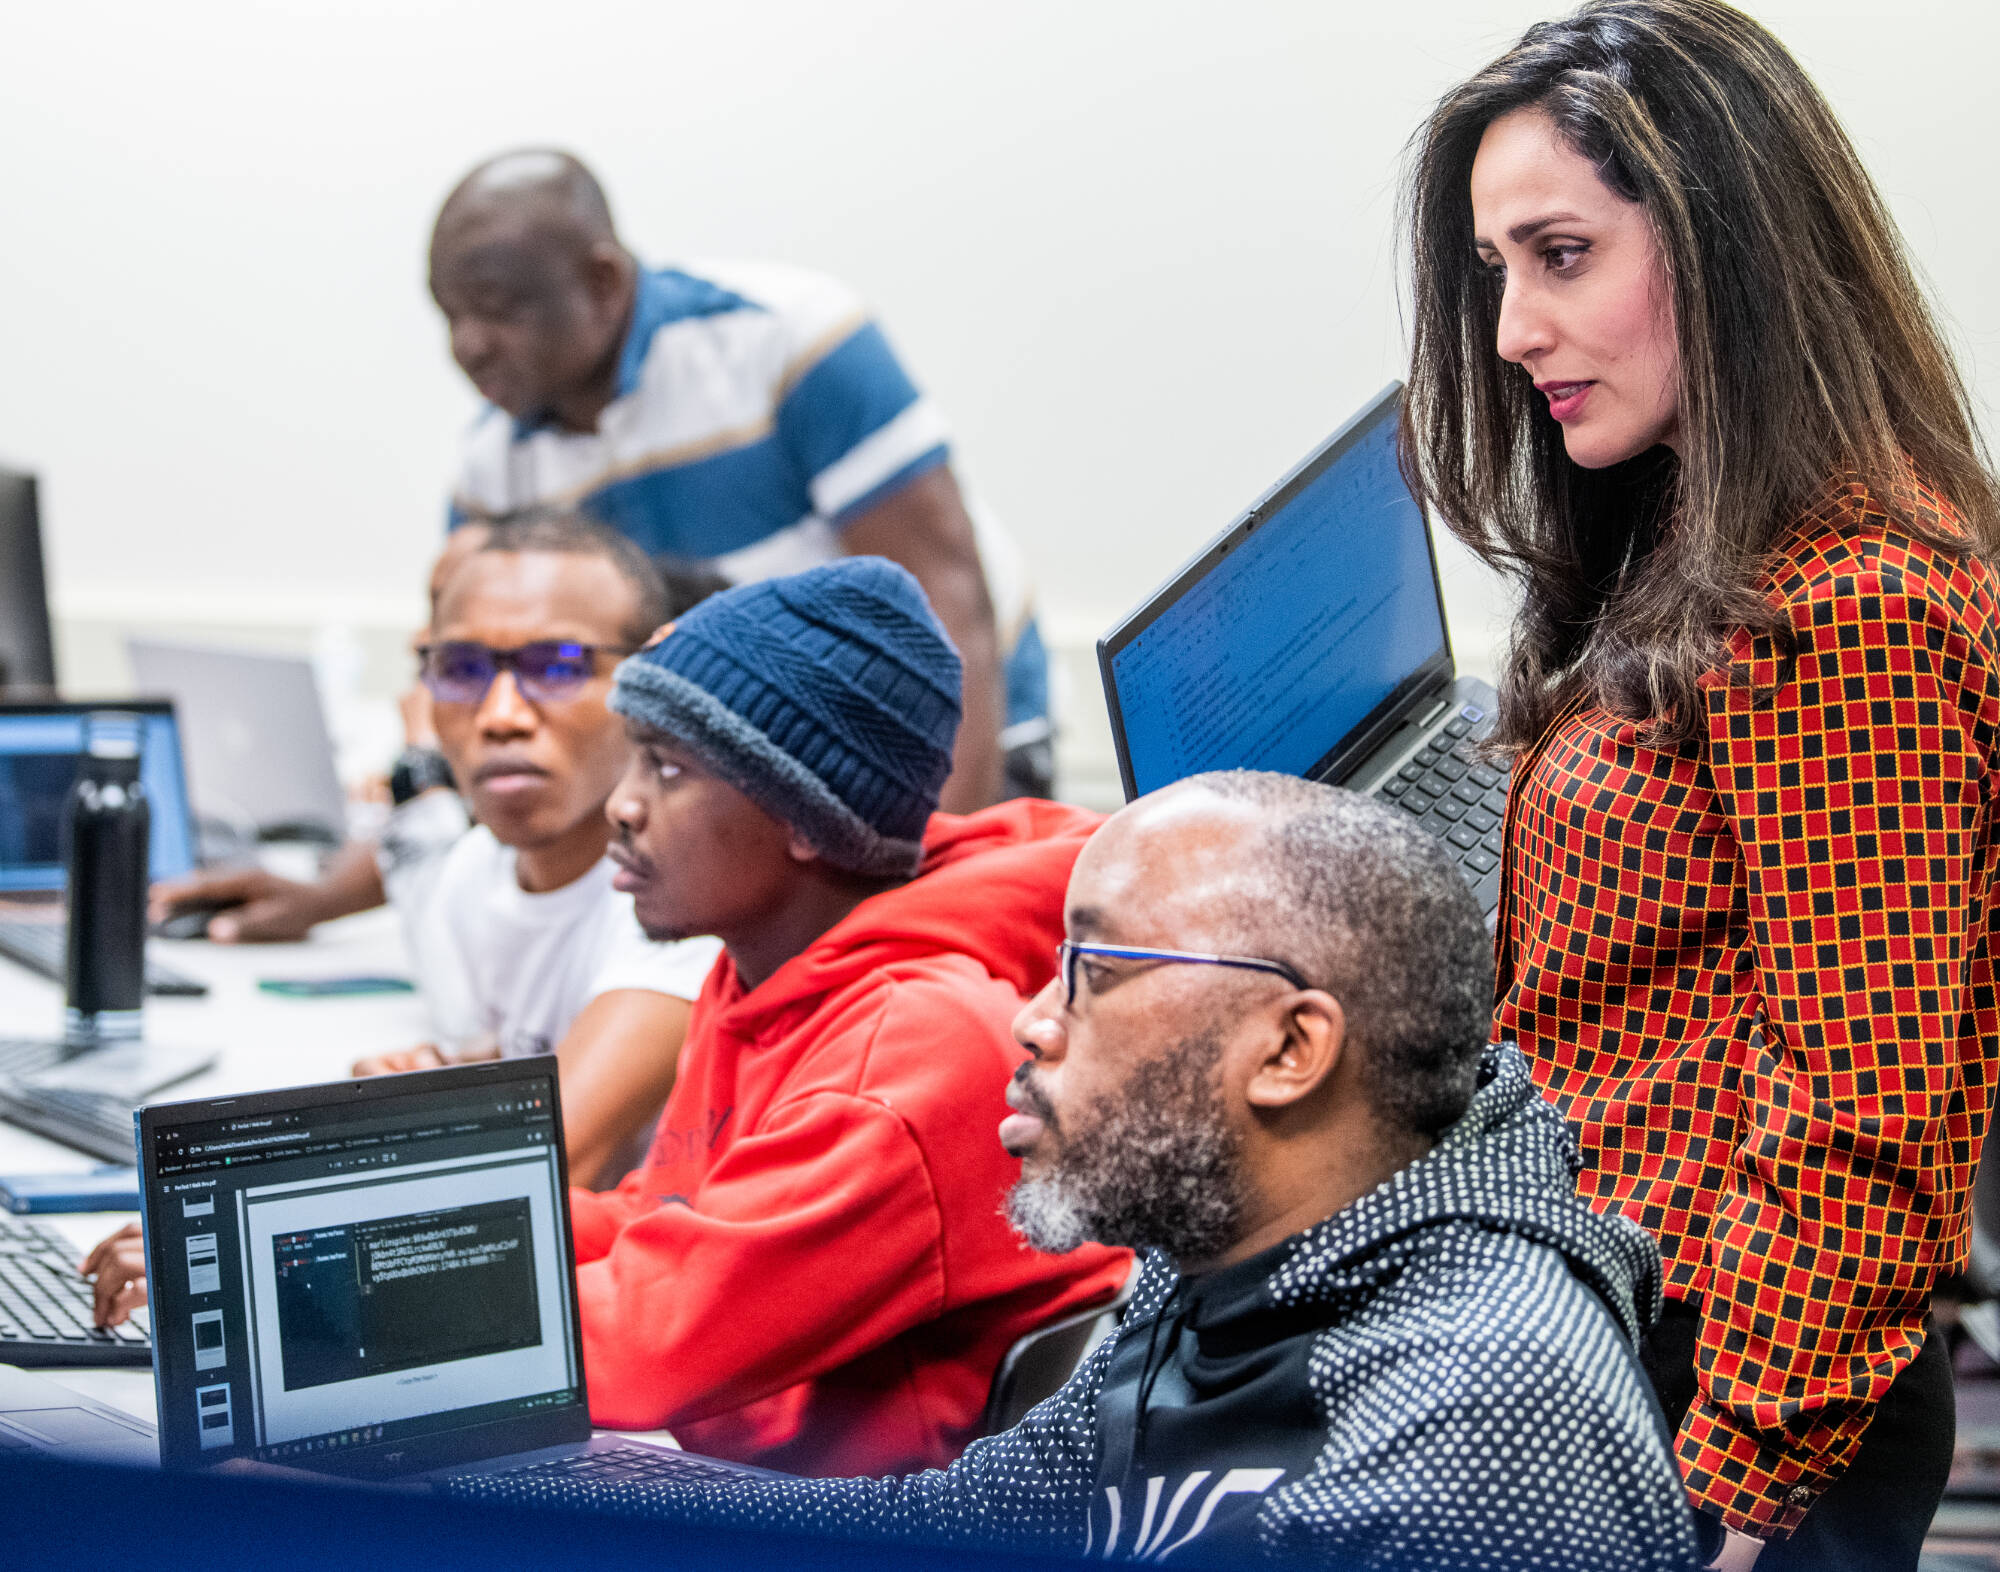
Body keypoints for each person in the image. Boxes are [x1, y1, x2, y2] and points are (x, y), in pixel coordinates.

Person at [443, 772, 1699, 1570]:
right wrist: (503, 1487)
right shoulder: (1235, 1257)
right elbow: (949, 1526)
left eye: (1090, 974)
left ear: (1288, 1051)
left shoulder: (1478, 1425)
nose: (1031, 1021)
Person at [1400, 2, 2000, 1566]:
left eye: (1562, 255)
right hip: (1618, 1317)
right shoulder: (1702, 521)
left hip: (1728, 1389)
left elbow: (1867, 1119)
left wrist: (1729, 1497)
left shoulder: (1848, 608)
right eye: (1496, 269)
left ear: (1728, 250)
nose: (1514, 329)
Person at [484, 552, 1122, 1476]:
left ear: (805, 817)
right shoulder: (763, 970)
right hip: (763, 1463)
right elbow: (674, 1211)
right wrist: (440, 1235)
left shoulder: (912, 1055)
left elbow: (650, 1336)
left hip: (875, 1521)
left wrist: (379, 1320)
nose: (621, 805)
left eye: (667, 768)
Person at [430, 148, 1049, 809]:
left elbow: (942, 606)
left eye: (497, 310)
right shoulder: (492, 469)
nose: (468, 345)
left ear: (603, 283)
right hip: (750, 788)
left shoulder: (786, 343)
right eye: (449, 314)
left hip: (942, 750)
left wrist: (949, 851)